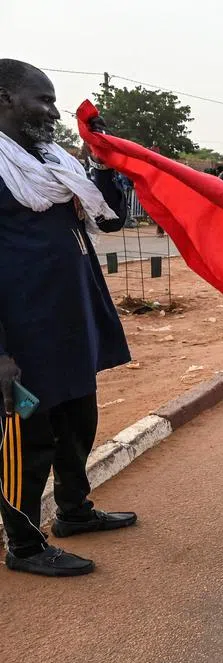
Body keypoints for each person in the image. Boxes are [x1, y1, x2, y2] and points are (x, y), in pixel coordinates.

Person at [0, 60, 138, 576]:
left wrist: (102, 163)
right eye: (43, 100)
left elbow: (113, 217)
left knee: (78, 421)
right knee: (29, 440)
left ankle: (75, 511)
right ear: (5, 98)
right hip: (22, 329)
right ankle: (25, 546)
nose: (53, 112)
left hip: (72, 313)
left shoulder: (55, 161)